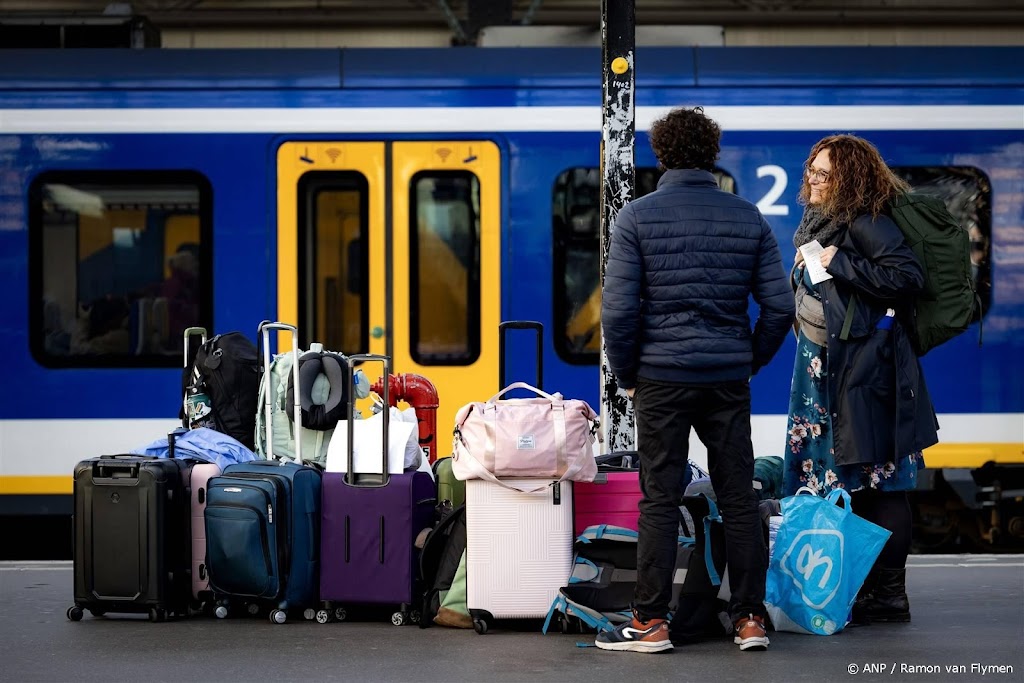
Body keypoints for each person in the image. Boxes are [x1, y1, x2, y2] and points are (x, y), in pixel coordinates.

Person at [599, 106, 795, 653]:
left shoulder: (636, 217)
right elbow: (779, 307)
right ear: (712, 153)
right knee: (738, 497)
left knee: (659, 499)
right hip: (727, 378)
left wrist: (629, 373)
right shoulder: (747, 217)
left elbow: (617, 314)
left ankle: (652, 621)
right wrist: (748, 359)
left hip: (661, 379)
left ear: (661, 154)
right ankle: (750, 618)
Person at [783, 134, 939, 624]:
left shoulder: (867, 222)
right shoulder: (821, 223)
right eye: (812, 169)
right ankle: (859, 587)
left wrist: (840, 262)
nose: (814, 179)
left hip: (862, 373)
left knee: (881, 481)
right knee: (846, 480)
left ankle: (888, 595)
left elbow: (908, 277)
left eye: (825, 173)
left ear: (848, 178)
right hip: (829, 371)